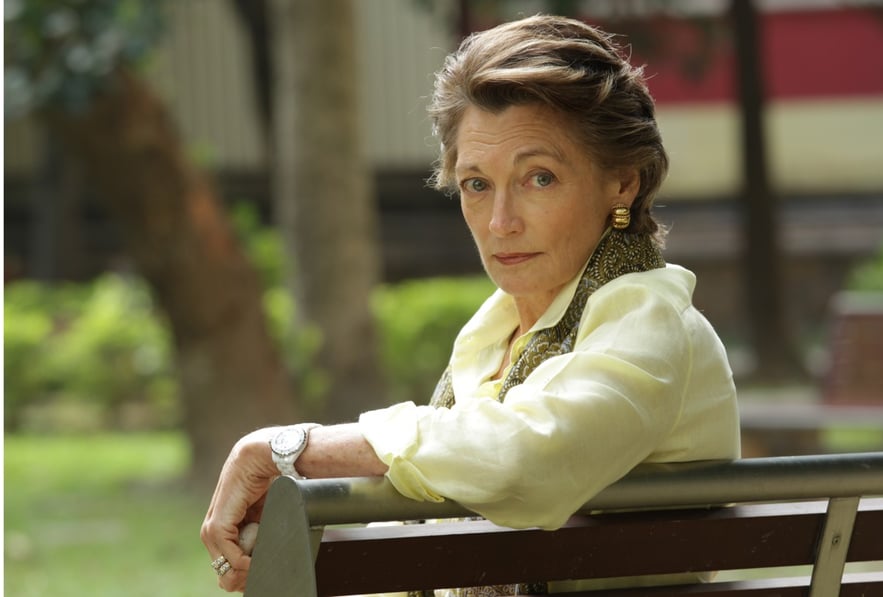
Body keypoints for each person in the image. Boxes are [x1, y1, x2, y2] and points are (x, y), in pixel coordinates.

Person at [201, 14, 740, 595]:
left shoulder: (648, 318)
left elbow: (524, 459)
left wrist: (299, 449)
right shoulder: (494, 336)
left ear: (622, 183)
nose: (501, 222)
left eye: (539, 178)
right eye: (477, 185)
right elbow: (453, 494)